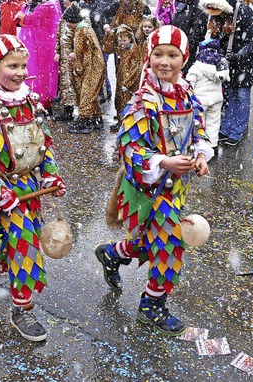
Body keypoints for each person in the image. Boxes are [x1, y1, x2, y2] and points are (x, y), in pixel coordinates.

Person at [96, 25, 212, 335]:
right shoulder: (143, 101)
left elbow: (196, 130)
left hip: (175, 188)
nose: (165, 61)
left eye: (172, 55)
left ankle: (112, 253)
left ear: (183, 58)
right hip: (147, 188)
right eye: (158, 54)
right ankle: (152, 306)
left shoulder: (186, 93)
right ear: (149, 57)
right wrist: (163, 161)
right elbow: (129, 149)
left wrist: (200, 156)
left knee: (149, 242)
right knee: (170, 245)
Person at [0, 34, 67, 342]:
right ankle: (7, 289)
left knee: (21, 246)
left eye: (23, 65)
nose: (20, 73)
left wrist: (50, 176)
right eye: (12, 66)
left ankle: (5, 287)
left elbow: (42, 146)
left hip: (28, 192)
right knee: (16, 246)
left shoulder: (30, 102)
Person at [200, 0, 253, 146]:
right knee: (230, 95)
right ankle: (226, 128)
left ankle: (237, 131)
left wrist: (238, 56)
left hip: (244, 64)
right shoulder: (219, 17)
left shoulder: (243, 12)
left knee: (242, 96)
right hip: (228, 64)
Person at [14, 0, 61, 109]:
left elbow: (30, 20)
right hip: (34, 45)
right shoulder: (33, 6)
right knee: (34, 71)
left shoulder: (45, 7)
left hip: (42, 46)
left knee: (42, 74)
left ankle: (42, 101)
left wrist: (21, 16)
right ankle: (33, 98)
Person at [62, 4, 106, 135]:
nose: (67, 24)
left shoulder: (81, 31)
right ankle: (96, 119)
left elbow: (80, 53)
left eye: (67, 21)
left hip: (92, 66)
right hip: (96, 65)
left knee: (86, 93)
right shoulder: (86, 28)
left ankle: (85, 121)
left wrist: (78, 69)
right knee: (92, 94)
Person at [185, 39, 229, 149]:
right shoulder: (219, 66)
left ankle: (200, 146)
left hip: (200, 101)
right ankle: (212, 145)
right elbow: (225, 79)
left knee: (199, 123)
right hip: (217, 99)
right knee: (213, 123)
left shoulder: (196, 67)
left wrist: (188, 97)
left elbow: (190, 83)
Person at [106, 24, 142, 132]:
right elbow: (107, 48)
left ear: (130, 39)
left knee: (128, 102)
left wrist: (128, 83)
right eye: (120, 41)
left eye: (124, 40)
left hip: (129, 83)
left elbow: (136, 69)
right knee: (119, 101)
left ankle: (127, 124)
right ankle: (121, 121)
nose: (122, 43)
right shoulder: (121, 49)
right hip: (121, 79)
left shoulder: (134, 50)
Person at [53, 0, 82, 122]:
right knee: (65, 82)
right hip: (64, 55)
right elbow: (59, 34)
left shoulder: (79, 14)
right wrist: (58, 51)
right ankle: (67, 109)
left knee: (74, 82)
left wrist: (75, 52)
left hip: (73, 56)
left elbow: (80, 35)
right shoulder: (65, 14)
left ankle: (83, 112)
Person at [173, 0, 208, 74]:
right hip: (176, 50)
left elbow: (198, 33)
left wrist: (183, 46)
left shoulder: (198, 7)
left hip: (187, 52)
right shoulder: (181, 5)